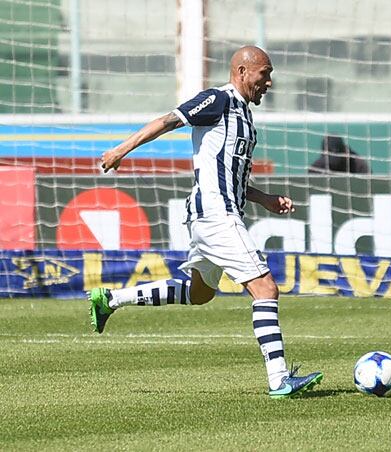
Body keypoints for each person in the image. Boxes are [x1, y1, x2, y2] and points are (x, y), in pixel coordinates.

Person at [89, 46, 323, 398]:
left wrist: (266, 200)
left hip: (213, 214)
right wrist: (122, 149)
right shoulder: (219, 100)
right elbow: (168, 120)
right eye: (265, 73)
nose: (269, 82)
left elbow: (233, 175)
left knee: (199, 294)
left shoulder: (244, 116)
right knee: (265, 289)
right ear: (243, 71)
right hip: (216, 214)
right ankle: (279, 379)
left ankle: (110, 299)